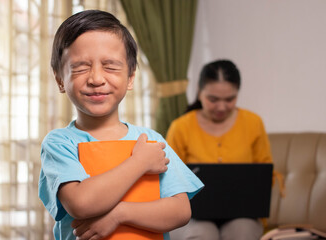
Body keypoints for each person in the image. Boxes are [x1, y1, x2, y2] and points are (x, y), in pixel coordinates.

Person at [38, 10, 204, 240]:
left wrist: (120, 214)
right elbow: (80, 203)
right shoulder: (59, 143)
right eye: (81, 67)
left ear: (130, 77)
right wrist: (139, 162)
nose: (96, 78)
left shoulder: (151, 141)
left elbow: (180, 211)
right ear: (59, 79)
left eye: (110, 66)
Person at [166, 59, 272, 240]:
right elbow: (168, 179)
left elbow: (265, 173)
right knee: (202, 234)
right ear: (199, 93)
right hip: (192, 216)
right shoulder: (181, 127)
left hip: (243, 215)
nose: (222, 107)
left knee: (241, 233)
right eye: (213, 99)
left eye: (230, 99)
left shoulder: (254, 123)